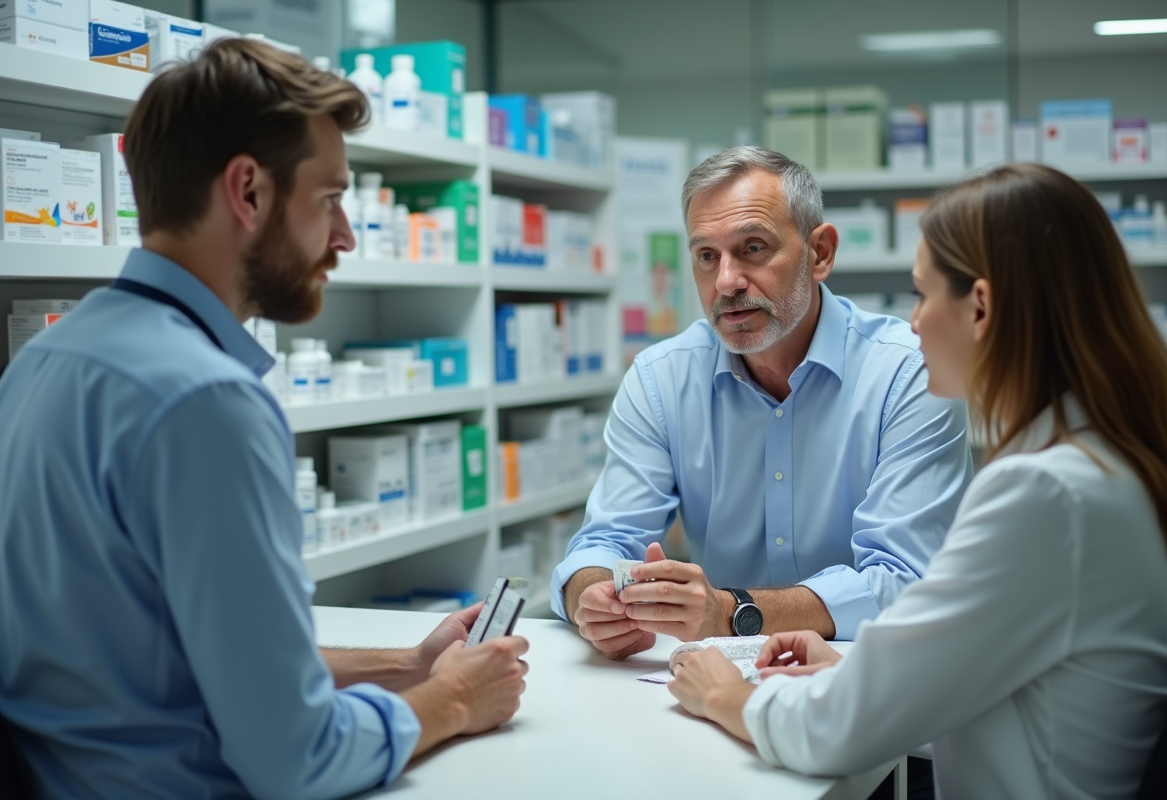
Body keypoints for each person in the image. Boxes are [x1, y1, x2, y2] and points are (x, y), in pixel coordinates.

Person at [0, 39, 527, 799]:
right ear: (247, 191)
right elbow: (296, 758)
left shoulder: (42, 363)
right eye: (329, 198)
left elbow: (169, 661)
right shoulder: (206, 401)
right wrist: (451, 701)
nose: (345, 235)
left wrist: (409, 664)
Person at [667, 163, 1167, 799]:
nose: (913, 322)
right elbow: (1008, 687)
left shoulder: (1045, 494)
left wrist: (725, 695)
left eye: (922, 295)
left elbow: (835, 734)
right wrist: (859, 674)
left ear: (981, 308)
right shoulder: (1106, 460)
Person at [553, 146, 973, 657]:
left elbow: (904, 580)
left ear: (820, 253)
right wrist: (591, 597)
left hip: (868, 671)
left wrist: (732, 611)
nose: (726, 281)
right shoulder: (660, 378)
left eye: (752, 248)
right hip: (715, 676)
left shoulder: (909, 372)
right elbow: (605, 539)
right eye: (707, 256)